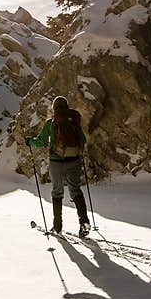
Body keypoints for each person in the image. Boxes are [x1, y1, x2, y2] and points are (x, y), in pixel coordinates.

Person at [25, 96, 91, 238]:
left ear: (54, 108)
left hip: (56, 162)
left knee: (57, 192)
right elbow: (83, 140)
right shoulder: (74, 121)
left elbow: (41, 142)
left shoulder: (51, 123)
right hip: (74, 160)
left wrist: (30, 141)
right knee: (75, 190)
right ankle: (84, 221)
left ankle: (57, 226)